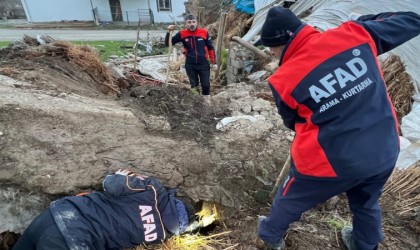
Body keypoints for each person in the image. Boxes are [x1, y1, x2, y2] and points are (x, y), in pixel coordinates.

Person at [256, 6, 420, 250]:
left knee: (290, 197)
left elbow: (293, 122)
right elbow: (412, 20)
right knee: (366, 202)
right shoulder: (354, 34)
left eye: (272, 47)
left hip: (330, 162)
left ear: (284, 43)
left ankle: (269, 236)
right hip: (383, 151)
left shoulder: (283, 80)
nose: (271, 53)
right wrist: (363, 21)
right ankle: (365, 244)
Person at [12, 169, 195, 250]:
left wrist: (120, 175)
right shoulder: (157, 235)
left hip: (57, 216)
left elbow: (111, 185)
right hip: (76, 242)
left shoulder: (154, 192)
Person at [165, 14, 217, 96]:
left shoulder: (204, 33)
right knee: (194, 86)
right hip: (190, 65)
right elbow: (168, 43)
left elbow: (210, 48)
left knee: (206, 85)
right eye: (189, 22)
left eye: (193, 22)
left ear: (196, 23)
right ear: (185, 24)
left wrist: (214, 62)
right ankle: (197, 103)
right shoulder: (182, 34)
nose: (192, 24)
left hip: (203, 64)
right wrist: (168, 32)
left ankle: (207, 101)